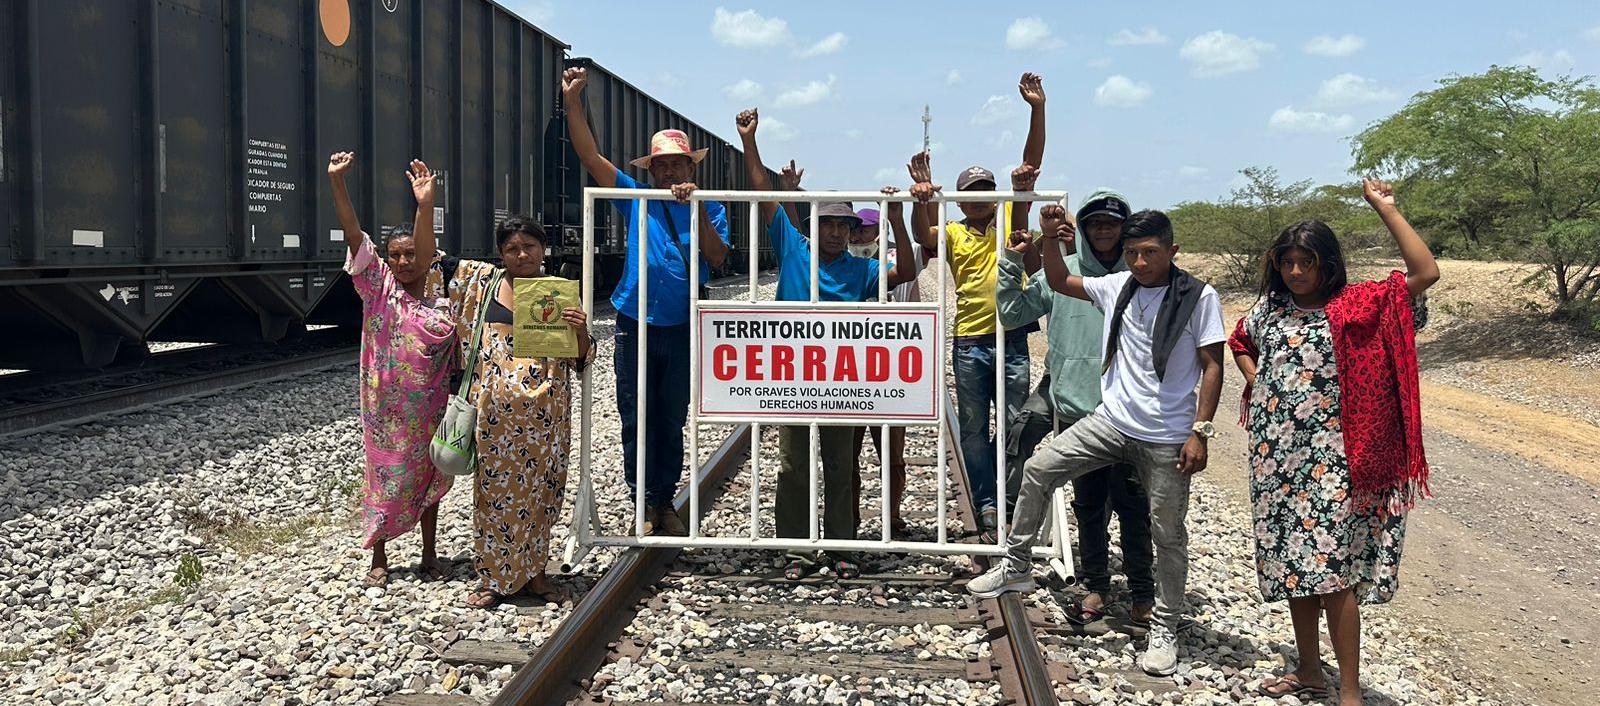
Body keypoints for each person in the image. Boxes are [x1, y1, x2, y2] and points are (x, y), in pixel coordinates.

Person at [967, 206, 1226, 678]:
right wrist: (1048, 238)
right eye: (1134, 253)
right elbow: (1062, 279)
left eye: (1151, 252)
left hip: (1167, 436)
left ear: (1173, 251)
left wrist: (1200, 431)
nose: (1142, 262)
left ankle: (1165, 625)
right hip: (1112, 422)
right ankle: (1017, 565)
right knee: (1039, 468)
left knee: (1167, 532)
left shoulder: (1198, 297)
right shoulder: (1118, 287)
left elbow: (1213, 365)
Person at [1229, 180, 1438, 705]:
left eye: (1306, 262)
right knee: (1294, 569)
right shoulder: (1270, 311)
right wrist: (1258, 381)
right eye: (1287, 263)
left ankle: (1349, 690)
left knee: (1334, 574)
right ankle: (1309, 671)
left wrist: (1385, 208)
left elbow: (1425, 273)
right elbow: (1239, 342)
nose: (1295, 272)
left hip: (1338, 463)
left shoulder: (1358, 304)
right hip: (1277, 461)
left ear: (1328, 263)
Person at [736, 107, 917, 579]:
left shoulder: (861, 269)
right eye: (829, 225)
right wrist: (750, 141)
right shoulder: (794, 249)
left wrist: (896, 220)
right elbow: (763, 195)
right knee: (794, 466)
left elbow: (908, 273)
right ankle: (796, 550)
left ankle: (841, 547)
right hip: (794, 379)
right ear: (813, 227)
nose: (836, 233)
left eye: (844, 227)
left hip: (840, 383)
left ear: (853, 233)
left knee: (840, 466)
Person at [562, 66, 731, 535]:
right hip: (633, 322)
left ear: (691, 169)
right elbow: (590, 156)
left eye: (678, 164)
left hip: (681, 327)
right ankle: (643, 503)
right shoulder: (635, 195)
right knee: (635, 417)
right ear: (651, 170)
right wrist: (573, 102)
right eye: (662, 164)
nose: (670, 171)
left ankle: (663, 501)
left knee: (671, 417)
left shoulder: (709, 204)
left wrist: (693, 209)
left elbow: (717, 258)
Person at [997, 189, 1157, 627]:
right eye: (1095, 224)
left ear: (1125, 229)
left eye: (1112, 224)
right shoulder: (1062, 275)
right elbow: (1012, 314)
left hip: (1132, 415)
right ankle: (1097, 586)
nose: (1103, 231)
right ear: (1084, 230)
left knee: (1134, 505)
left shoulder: (1142, 276)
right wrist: (1013, 262)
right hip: (1077, 410)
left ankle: (1144, 592)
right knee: (1088, 505)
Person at [906, 72, 1049, 536]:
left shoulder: (1010, 219)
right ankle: (988, 504)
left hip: (1011, 340)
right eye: (970, 194)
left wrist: (1036, 111)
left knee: (1014, 426)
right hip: (969, 342)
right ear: (961, 200)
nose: (979, 199)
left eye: (987, 190)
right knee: (972, 430)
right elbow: (923, 235)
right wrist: (922, 199)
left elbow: (1028, 171)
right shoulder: (952, 231)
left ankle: (1010, 499)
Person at [445, 216, 595, 609]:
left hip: (547, 416)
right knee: (493, 495)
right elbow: (429, 260)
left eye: (529, 246)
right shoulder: (483, 287)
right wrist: (426, 205)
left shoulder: (560, 293)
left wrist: (579, 328)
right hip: (496, 418)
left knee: (543, 492)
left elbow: (581, 358)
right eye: (512, 248)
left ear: (543, 249)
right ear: (500, 254)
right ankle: (494, 579)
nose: (522, 254)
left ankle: (535, 573)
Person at [327, 152, 455, 588]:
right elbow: (352, 233)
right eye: (396, 255)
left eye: (411, 255)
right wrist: (338, 184)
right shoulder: (377, 287)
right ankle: (379, 553)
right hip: (384, 411)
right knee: (383, 479)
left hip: (431, 411)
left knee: (431, 477)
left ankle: (429, 554)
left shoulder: (443, 299)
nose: (403, 262)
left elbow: (427, 250)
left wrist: (425, 207)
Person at [847, 206, 925, 538]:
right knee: (846, 457)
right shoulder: (844, 264)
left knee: (893, 453)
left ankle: (891, 515)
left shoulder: (898, 259)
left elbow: (922, 251)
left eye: (865, 229)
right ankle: (848, 519)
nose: (858, 235)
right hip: (849, 372)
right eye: (857, 230)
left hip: (889, 373)